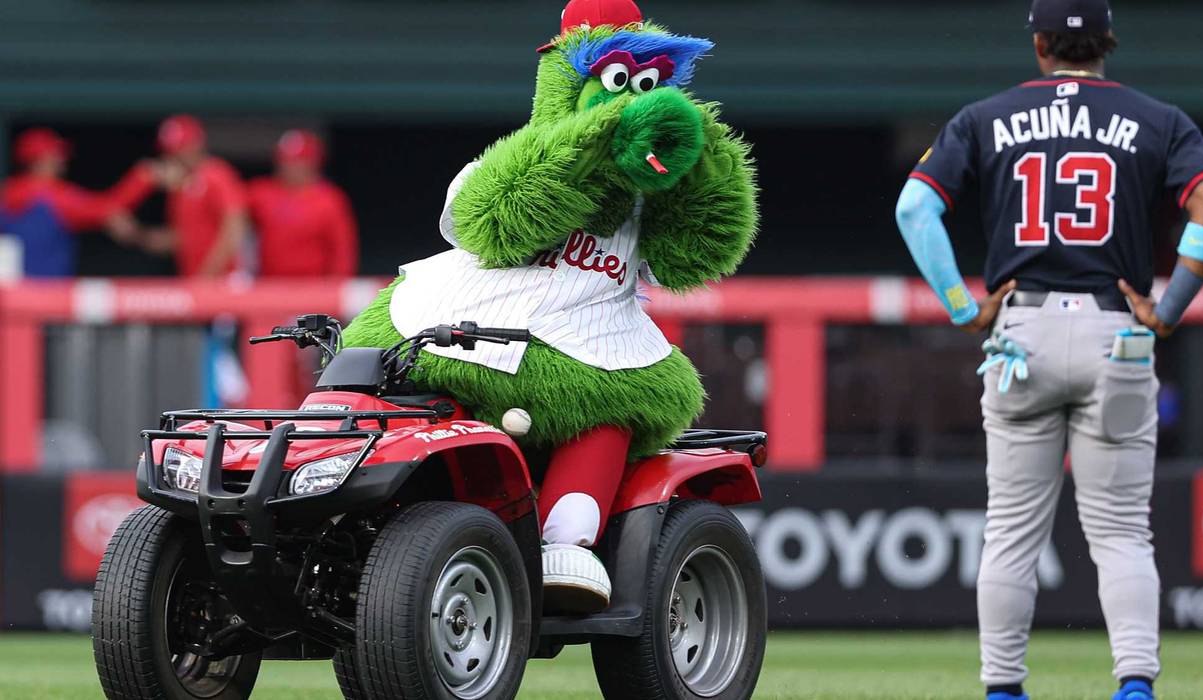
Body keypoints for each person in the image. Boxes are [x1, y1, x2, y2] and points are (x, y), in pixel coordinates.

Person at [340, 0, 756, 613]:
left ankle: (565, 541)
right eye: (617, 83)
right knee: (363, 380)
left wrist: (699, 158)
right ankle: (325, 509)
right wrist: (591, 143)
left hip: (583, 338)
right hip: (449, 324)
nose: (628, 103)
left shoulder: (644, 202)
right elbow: (489, 220)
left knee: (615, 404)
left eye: (648, 86)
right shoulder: (509, 157)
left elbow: (698, 253)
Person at [893, 2, 1203, 700]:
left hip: (1023, 330)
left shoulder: (986, 116)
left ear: (1040, 43)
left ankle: (1002, 689)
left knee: (1011, 532)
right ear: (1106, 41)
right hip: (1118, 332)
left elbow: (913, 208)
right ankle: (1134, 685)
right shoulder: (1157, 117)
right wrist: (1167, 309)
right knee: (1119, 533)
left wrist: (962, 306)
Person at [0, 127, 152, 277]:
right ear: (41, 159)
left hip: (10, 293)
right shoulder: (47, 193)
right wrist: (144, 177)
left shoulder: (8, 190)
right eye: (56, 153)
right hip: (46, 292)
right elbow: (106, 208)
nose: (62, 158)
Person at [142, 115, 249, 277]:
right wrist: (135, 234)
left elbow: (235, 229)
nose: (173, 156)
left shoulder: (216, 174)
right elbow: (182, 239)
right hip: (194, 283)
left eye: (180, 148)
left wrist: (207, 277)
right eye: (170, 150)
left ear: (196, 145)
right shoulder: (180, 186)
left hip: (225, 281)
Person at [247, 130, 358, 277]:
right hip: (269, 285)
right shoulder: (261, 192)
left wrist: (336, 286)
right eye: (284, 161)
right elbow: (231, 217)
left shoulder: (330, 199)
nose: (289, 167)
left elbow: (343, 251)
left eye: (297, 162)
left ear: (313, 163)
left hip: (312, 286)